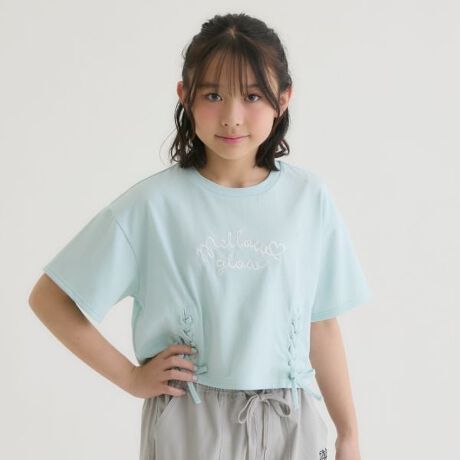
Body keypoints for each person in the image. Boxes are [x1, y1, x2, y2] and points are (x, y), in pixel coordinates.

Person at [29, 12, 372, 460]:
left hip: (291, 421)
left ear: (283, 99)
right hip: (190, 420)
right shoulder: (154, 205)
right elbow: (50, 298)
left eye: (252, 96)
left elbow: (321, 323)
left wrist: (348, 434)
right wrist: (131, 377)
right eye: (213, 95)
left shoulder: (308, 199)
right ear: (185, 96)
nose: (231, 117)